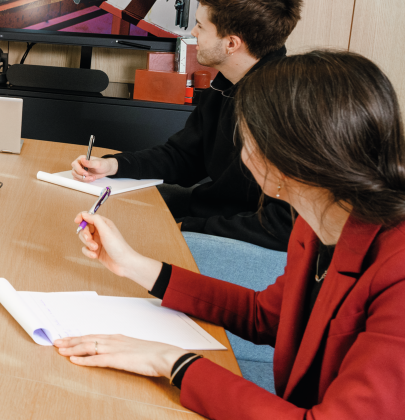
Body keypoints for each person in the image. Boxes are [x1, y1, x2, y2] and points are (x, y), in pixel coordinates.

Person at [57, 50, 405, 418]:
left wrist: (172, 362)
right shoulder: (319, 220)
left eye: (247, 136)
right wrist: (133, 265)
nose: (242, 152)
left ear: (289, 156)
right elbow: (263, 317)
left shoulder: (395, 272)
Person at [72, 0, 303, 250]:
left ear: (231, 43)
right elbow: (183, 156)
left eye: (201, 26)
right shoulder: (225, 84)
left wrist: (185, 229)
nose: (193, 33)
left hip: (234, 240)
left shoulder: (289, 108)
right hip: (206, 215)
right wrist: (114, 165)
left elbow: (283, 224)